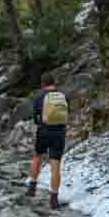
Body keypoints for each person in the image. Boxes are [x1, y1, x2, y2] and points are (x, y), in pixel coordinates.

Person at [27, 72, 69, 209]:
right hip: (59, 133)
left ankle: (32, 188)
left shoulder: (39, 97)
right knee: (55, 165)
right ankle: (54, 199)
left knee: (37, 156)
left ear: (42, 84)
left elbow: (35, 118)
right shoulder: (62, 96)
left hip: (44, 131)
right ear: (54, 83)